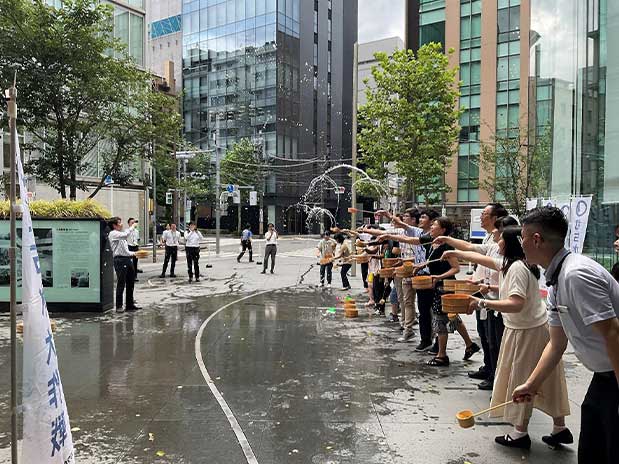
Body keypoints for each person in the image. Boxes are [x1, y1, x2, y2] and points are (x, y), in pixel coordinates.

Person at [443, 226, 571, 450]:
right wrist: (455, 252)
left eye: (501, 238)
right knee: (548, 378)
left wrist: (481, 302)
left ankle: (519, 433)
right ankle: (560, 428)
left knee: (520, 378)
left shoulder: (517, 268)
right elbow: (480, 257)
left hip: (526, 332)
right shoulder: (513, 264)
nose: (497, 241)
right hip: (534, 327)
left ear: (509, 243)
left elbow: (516, 303)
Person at [509, 207, 619, 463]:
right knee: (593, 446)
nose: (520, 244)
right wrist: (532, 385)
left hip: (614, 377)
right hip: (604, 378)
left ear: (536, 239)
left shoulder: (576, 275)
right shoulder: (557, 278)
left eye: (522, 237)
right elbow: (556, 344)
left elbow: (613, 333)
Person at [434, 214, 518, 390]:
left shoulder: (514, 264)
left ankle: (500, 380)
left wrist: (454, 252)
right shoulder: (498, 250)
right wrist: (483, 285)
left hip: (499, 308)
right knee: (487, 339)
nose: (496, 234)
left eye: (500, 232)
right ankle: (491, 372)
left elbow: (516, 300)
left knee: (498, 344)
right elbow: (472, 249)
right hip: (488, 301)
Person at [375, 209, 439, 349]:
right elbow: (403, 229)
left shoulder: (437, 238)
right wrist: (388, 216)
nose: (421, 220)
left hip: (433, 276)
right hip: (419, 274)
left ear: (433, 222)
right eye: (420, 217)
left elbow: (453, 264)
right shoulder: (418, 232)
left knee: (436, 311)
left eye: (424, 217)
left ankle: (437, 341)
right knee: (421, 309)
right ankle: (426, 339)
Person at [107, 217, 140, 312]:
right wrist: (132, 226)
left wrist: (134, 253)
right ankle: (119, 306)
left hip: (127, 259)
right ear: (114, 225)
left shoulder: (120, 234)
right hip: (120, 260)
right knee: (121, 283)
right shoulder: (113, 233)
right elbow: (126, 234)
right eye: (119, 222)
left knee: (131, 282)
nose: (121, 224)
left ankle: (130, 304)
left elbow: (125, 251)